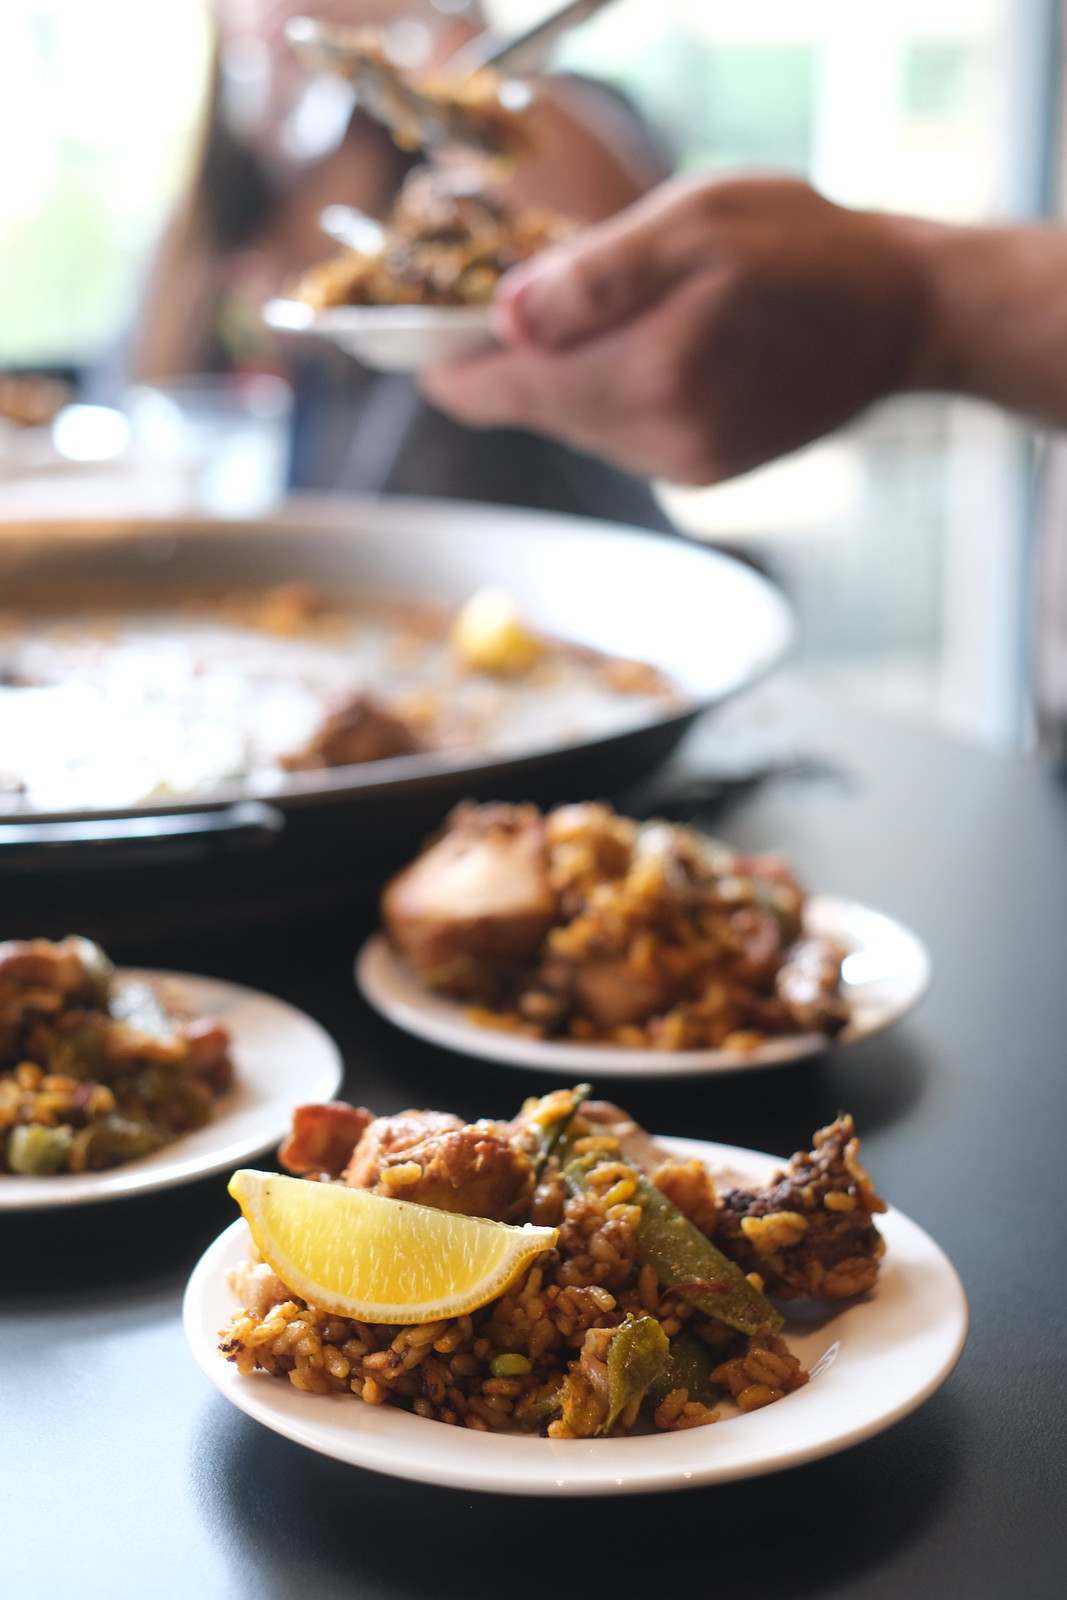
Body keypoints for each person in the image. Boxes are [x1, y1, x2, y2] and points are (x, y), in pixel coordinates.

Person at [127, 0, 675, 528]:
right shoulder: (201, 228)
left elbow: (634, 257)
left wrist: (423, 27)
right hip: (296, 602)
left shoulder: (511, 139)